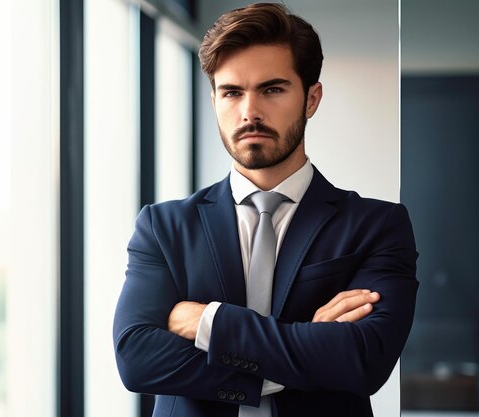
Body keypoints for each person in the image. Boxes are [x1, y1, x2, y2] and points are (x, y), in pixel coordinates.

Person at [113, 3, 418, 416]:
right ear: (214, 99)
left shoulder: (376, 226)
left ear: (311, 99)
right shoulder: (163, 227)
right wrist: (307, 345)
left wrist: (210, 323)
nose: (249, 112)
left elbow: (363, 361)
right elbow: (137, 358)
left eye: (272, 89)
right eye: (232, 92)